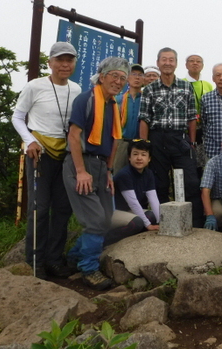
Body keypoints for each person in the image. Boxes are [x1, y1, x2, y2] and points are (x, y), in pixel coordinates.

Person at [12, 41, 82, 279]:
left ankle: (54, 259)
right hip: (39, 152)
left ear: (74, 63)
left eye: (69, 60)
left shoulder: (76, 89)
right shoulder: (36, 86)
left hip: (66, 154)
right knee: (39, 209)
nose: (64, 64)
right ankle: (34, 261)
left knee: (63, 208)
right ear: (50, 62)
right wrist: (29, 140)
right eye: (60, 60)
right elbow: (18, 116)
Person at [63, 56, 130, 290]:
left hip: (102, 167)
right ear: (102, 77)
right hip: (81, 163)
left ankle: (73, 259)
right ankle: (89, 269)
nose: (119, 81)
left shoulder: (114, 105)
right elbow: (73, 135)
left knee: (107, 216)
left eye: (123, 78)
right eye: (114, 76)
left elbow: (115, 141)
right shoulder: (87, 99)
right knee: (95, 220)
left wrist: (109, 171)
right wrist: (81, 171)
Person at [138, 47, 204, 227]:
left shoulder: (186, 86)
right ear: (158, 63)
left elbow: (192, 117)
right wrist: (144, 145)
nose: (167, 63)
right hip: (157, 138)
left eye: (171, 60)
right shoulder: (150, 89)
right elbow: (144, 119)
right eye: (164, 59)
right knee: (160, 183)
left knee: (190, 181)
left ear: (176, 63)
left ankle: (195, 224)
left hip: (180, 138)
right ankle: (165, 223)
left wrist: (191, 142)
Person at [104, 139, 160, 246]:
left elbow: (153, 199)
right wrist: (148, 225)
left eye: (143, 155)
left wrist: (160, 222)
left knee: (152, 216)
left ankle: (134, 241)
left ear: (149, 159)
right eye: (135, 154)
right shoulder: (125, 174)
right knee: (138, 223)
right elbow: (133, 202)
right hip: (113, 211)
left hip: (128, 211)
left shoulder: (148, 173)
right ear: (129, 157)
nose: (139, 158)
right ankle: (105, 242)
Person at [183, 54, 214, 174]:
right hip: (186, 130)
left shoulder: (208, 85)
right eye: (192, 61)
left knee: (201, 165)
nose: (195, 63)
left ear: (202, 65)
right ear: (186, 65)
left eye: (198, 61)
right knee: (188, 164)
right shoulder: (181, 83)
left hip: (203, 131)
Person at [113, 63, 144, 174]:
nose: (137, 77)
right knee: (118, 174)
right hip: (122, 143)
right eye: (133, 74)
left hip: (140, 144)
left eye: (140, 75)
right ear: (127, 78)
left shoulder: (147, 99)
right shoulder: (118, 99)